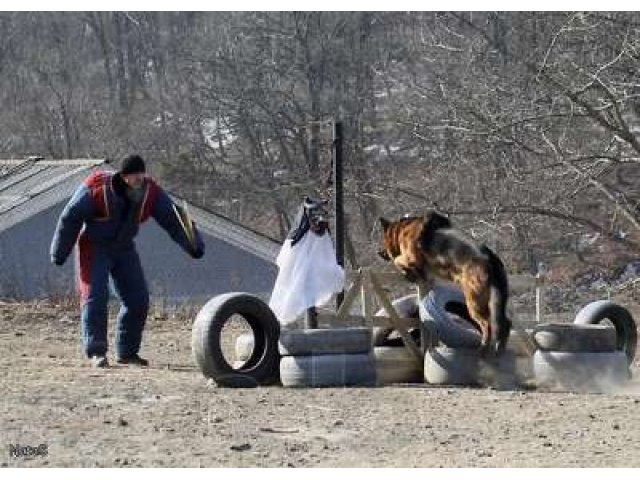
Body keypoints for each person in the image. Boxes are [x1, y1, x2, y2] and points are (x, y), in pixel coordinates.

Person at [50, 154, 204, 368]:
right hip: (94, 247)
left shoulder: (151, 192)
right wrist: (59, 253)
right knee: (95, 296)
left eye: (142, 175)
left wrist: (193, 244)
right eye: (134, 176)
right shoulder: (96, 187)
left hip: (124, 248)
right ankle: (96, 352)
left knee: (138, 299)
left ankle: (128, 352)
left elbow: (173, 218)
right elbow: (70, 217)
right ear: (123, 177)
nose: (139, 180)